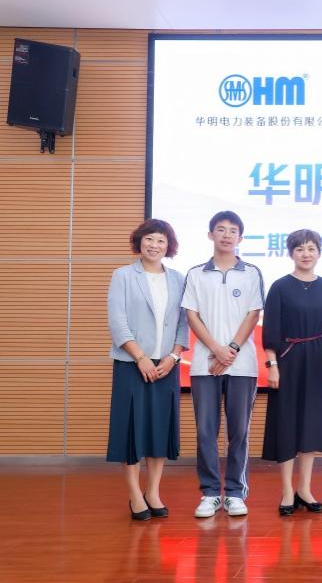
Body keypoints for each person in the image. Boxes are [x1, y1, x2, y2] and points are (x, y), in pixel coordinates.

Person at [182, 211, 264, 518]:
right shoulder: (196, 273)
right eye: (221, 229)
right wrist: (216, 350)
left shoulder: (252, 272)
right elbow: (192, 316)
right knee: (206, 430)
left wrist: (231, 350)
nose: (227, 235)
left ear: (241, 237)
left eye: (233, 231)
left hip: (242, 364)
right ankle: (209, 493)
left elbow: (253, 314)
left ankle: (234, 492)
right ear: (210, 235)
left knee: (238, 431)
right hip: (204, 363)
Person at [107, 219, 188, 520]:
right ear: (140, 241)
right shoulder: (123, 276)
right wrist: (140, 357)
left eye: (161, 240)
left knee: (159, 430)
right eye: (149, 239)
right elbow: (117, 321)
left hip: (167, 365)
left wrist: (174, 356)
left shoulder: (178, 279)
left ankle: (153, 491)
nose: (154, 245)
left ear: (169, 246)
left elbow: (183, 323)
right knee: (131, 430)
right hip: (132, 364)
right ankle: (134, 494)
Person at [261, 229, 322, 515]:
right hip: (288, 359)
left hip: (319, 359)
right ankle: (286, 491)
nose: (306, 254)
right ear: (290, 253)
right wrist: (272, 365)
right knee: (287, 424)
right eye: (300, 249)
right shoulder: (280, 286)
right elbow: (270, 330)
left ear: (319, 252)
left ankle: (304, 489)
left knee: (311, 425)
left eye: (311, 248)